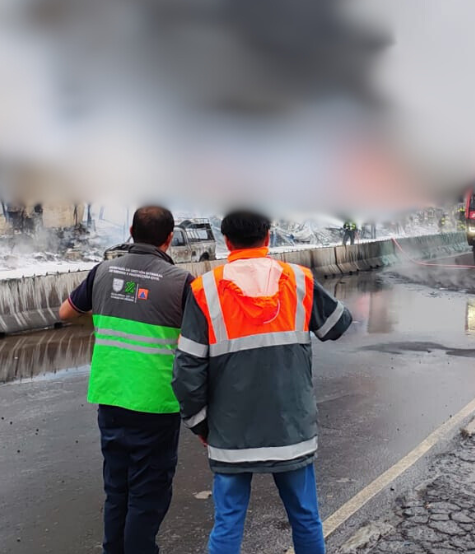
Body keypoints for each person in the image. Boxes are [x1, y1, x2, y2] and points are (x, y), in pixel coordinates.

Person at [173, 210, 353, 554]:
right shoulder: (299, 280)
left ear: (226, 241)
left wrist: (200, 425)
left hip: (230, 433)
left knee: (227, 523)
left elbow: (186, 372)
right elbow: (338, 324)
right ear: (268, 236)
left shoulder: (204, 289)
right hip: (291, 430)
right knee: (305, 517)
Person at [58, 206, 193, 554]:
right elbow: (200, 340)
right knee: (147, 494)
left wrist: (105, 322)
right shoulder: (180, 282)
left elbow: (66, 313)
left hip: (111, 396)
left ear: (131, 231)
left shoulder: (104, 271)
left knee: (117, 489)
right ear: (170, 237)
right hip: (155, 403)